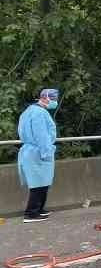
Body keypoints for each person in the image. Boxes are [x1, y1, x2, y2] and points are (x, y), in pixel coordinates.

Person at [17, 88, 60, 223]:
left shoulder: (29, 111)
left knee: (42, 182)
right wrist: (46, 152)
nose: (55, 101)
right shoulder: (39, 113)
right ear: (45, 98)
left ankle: (39, 209)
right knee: (38, 184)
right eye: (53, 98)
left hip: (31, 151)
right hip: (38, 151)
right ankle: (31, 213)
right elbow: (41, 135)